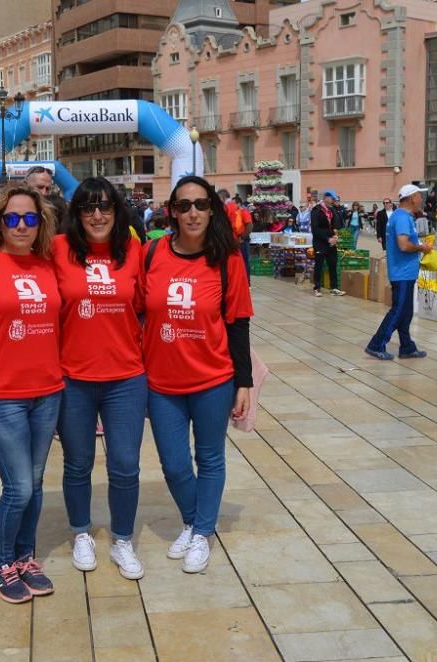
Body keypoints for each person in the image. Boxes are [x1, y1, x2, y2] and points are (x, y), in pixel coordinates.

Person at [141, 175, 253, 574]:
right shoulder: (151, 254)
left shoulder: (229, 259)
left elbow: (238, 323)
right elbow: (135, 309)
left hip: (213, 379)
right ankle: (195, 520)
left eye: (200, 205)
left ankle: (201, 532)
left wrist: (244, 383)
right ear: (171, 211)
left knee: (209, 458)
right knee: (173, 464)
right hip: (161, 381)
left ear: (212, 210)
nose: (192, 213)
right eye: (184, 205)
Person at [0, 184, 62, 604]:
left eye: (30, 218)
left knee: (36, 483)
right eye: (13, 218)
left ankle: (25, 557)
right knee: (18, 486)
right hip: (0, 393)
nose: (21, 225)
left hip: (48, 389)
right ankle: (3, 562)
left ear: (41, 224)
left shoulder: (48, 265)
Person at [53, 177, 147, 581]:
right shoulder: (57, 250)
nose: (96, 215)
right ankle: (81, 533)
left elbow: (148, 305)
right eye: (88, 207)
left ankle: (123, 539)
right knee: (78, 464)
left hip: (125, 376)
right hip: (73, 377)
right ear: (76, 214)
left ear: (117, 212)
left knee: (125, 465)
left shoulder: (133, 252)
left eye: (105, 207)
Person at [365, 184, 432, 361]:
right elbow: (403, 244)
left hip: (406, 272)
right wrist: (421, 247)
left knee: (406, 312)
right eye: (419, 196)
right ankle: (376, 344)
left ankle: (407, 347)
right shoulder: (402, 217)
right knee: (398, 310)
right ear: (411, 198)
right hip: (402, 273)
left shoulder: (402, 216)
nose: (421, 200)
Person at [310, 189, 345, 297]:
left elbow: (337, 225)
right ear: (326, 198)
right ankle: (317, 287)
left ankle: (334, 287)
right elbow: (315, 229)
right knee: (319, 265)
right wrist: (327, 239)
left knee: (333, 264)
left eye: (334, 199)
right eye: (331, 198)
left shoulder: (333, 210)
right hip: (320, 242)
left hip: (331, 243)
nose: (333, 201)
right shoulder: (316, 210)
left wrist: (335, 236)